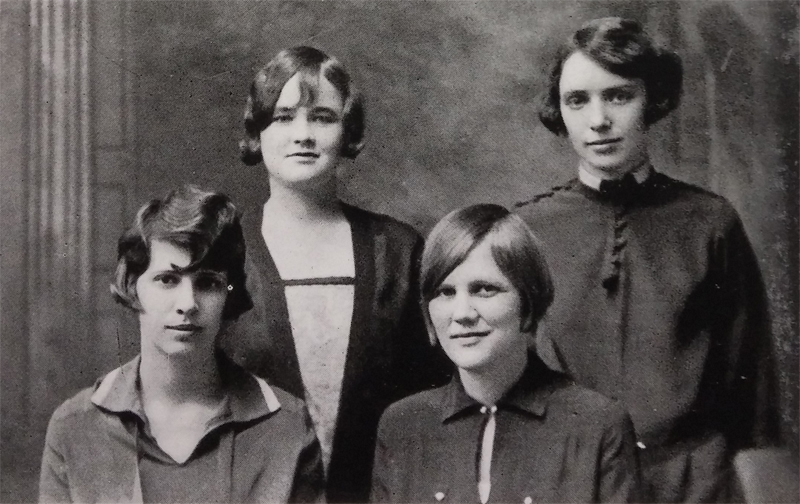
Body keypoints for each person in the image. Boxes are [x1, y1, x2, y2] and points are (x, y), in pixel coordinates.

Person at [516, 17, 779, 502]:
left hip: (694, 483)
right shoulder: (527, 229)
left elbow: (749, 392)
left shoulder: (709, 222)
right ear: (559, 110)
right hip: (570, 481)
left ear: (652, 99)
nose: (598, 120)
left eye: (618, 96)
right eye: (578, 100)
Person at [220, 46, 447, 503]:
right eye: (283, 117)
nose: (303, 134)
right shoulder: (222, 254)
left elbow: (437, 401)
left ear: (347, 131)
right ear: (257, 131)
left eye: (322, 117)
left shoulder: (399, 250)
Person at [39, 186, 323, 503]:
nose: (187, 303)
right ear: (133, 287)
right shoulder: (75, 426)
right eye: (167, 280)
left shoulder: (287, 424)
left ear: (228, 295)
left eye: (208, 283)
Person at [371, 204, 640, 503]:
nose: (461, 314)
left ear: (528, 302)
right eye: (445, 292)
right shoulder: (403, 425)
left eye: (484, 289)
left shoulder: (597, 425)